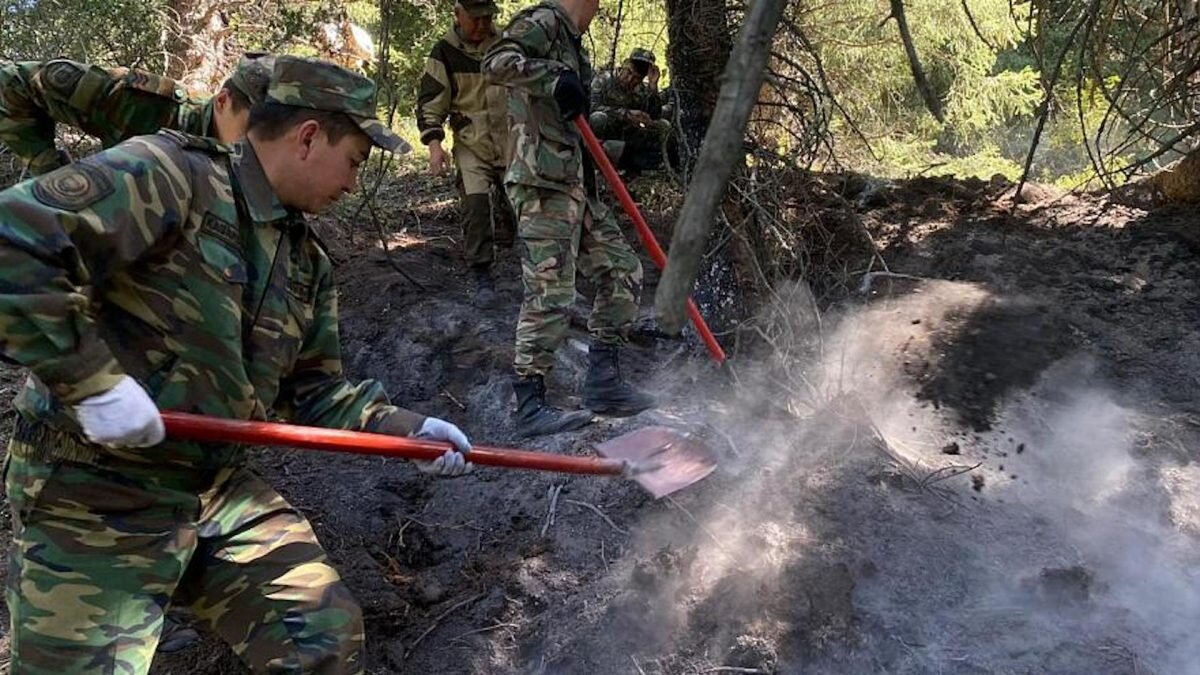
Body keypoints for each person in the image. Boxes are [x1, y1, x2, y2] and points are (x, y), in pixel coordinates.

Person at [0, 56, 467, 675]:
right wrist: (91, 385)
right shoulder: (173, 175)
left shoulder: (306, 262)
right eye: (354, 159)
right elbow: (13, 237)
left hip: (214, 489)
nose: (355, 182)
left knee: (320, 641)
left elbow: (316, 391)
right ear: (308, 136)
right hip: (94, 488)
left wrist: (407, 429)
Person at [483, 0, 655, 437]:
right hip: (542, 182)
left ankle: (603, 382)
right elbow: (496, 62)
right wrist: (554, 78)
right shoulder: (543, 21)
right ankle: (529, 402)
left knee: (623, 270)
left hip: (574, 183)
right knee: (551, 291)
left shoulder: (572, 40)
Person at [0, 53, 273, 176]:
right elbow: (13, 83)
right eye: (255, 127)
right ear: (222, 102)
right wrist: (50, 173)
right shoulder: (145, 105)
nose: (265, 145)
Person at [417, 0, 516, 307]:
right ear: (457, 15)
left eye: (488, 18)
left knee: (527, 205)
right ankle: (482, 272)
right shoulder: (444, 52)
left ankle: (540, 269)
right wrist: (435, 145)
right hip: (472, 143)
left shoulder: (508, 46)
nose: (483, 24)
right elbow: (432, 102)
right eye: (475, 18)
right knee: (475, 204)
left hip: (513, 141)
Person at [588, 47, 671, 173]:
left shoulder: (641, 90)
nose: (630, 79)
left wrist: (653, 87)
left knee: (663, 126)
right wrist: (625, 114)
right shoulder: (604, 79)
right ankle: (594, 162)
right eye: (629, 73)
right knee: (598, 118)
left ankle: (653, 164)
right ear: (624, 66)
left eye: (637, 78)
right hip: (607, 130)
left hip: (628, 134)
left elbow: (655, 115)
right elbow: (592, 106)